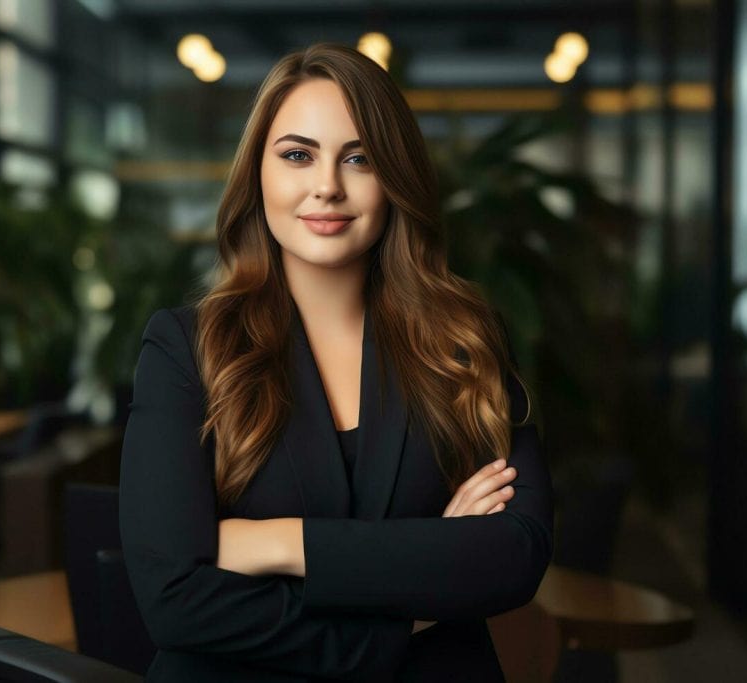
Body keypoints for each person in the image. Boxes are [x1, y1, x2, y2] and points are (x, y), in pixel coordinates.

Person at [119, 42, 554, 682]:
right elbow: (174, 603)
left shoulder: (463, 340)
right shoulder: (186, 349)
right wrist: (417, 591)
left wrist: (277, 543)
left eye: (360, 159)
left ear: (396, 179)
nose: (327, 186)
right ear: (257, 175)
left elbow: (515, 555)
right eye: (298, 155)